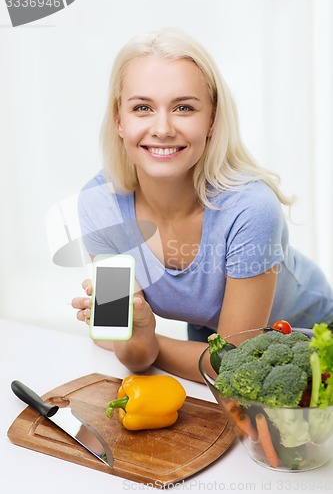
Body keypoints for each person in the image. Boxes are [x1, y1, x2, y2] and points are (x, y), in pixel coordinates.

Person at [72, 28, 333, 383]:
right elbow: (130, 349)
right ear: (119, 119)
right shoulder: (100, 205)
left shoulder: (251, 209)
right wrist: (139, 332)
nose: (162, 128)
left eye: (183, 107)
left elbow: (234, 365)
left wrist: (140, 337)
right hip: (212, 341)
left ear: (211, 119)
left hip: (311, 342)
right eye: (142, 108)